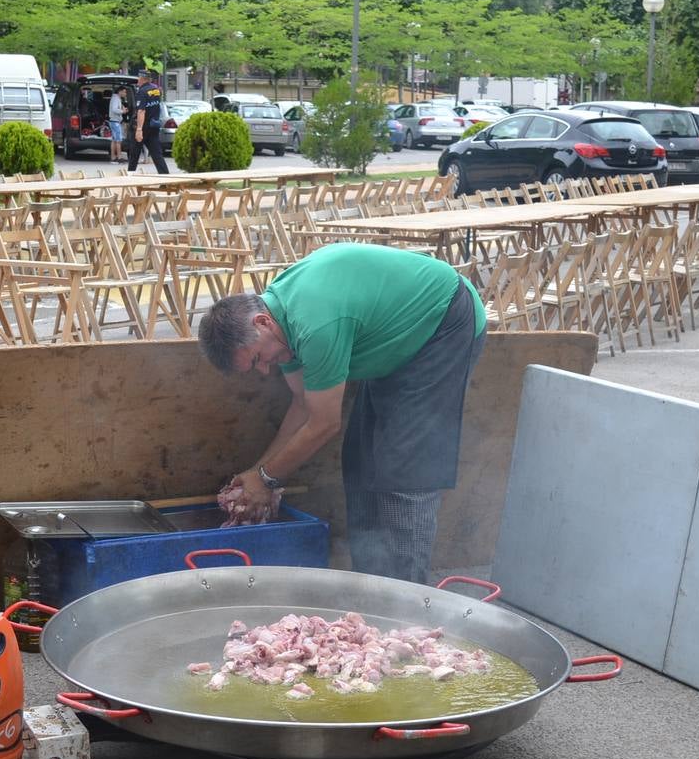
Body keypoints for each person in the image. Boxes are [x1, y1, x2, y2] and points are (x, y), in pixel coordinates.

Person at [198, 243, 486, 585]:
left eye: (258, 358)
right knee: (360, 459)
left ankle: (408, 596)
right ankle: (370, 584)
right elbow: (304, 405)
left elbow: (323, 424)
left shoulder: (315, 324)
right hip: (393, 335)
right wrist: (257, 473)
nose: (263, 371)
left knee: (405, 468)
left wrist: (267, 479)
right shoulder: (281, 325)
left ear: (261, 323)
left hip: (443, 322)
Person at [127, 67, 169, 174]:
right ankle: (165, 178)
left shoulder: (142, 92)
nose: (138, 80)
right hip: (153, 126)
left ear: (142, 79)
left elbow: (141, 111)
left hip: (143, 126)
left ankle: (129, 178)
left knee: (134, 154)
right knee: (157, 154)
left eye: (139, 78)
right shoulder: (156, 90)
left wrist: (139, 129)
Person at [108, 88, 127, 163]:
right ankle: (119, 157)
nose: (125, 93)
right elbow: (114, 109)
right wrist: (123, 111)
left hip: (113, 121)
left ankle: (113, 157)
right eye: (124, 92)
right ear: (120, 91)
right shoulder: (116, 99)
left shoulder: (116, 98)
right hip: (115, 121)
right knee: (118, 140)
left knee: (114, 140)